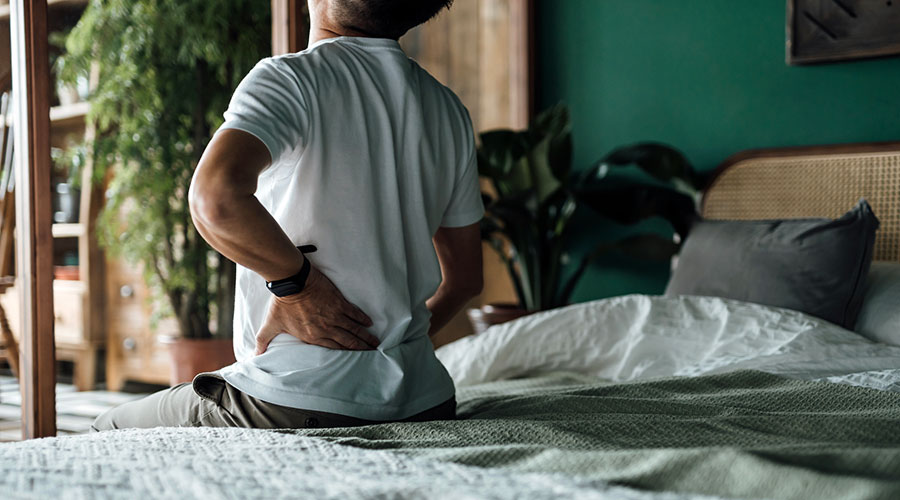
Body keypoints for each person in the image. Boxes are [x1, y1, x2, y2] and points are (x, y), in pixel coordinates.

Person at [92, 0, 483, 431]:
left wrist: (298, 287)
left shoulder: (292, 79)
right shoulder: (449, 111)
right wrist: (391, 352)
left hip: (297, 398)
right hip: (425, 400)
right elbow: (465, 279)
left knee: (103, 429)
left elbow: (215, 199)